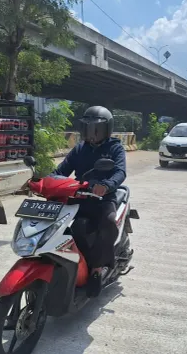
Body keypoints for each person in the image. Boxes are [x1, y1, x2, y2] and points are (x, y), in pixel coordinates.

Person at [51, 105, 126, 298]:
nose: (91, 133)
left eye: (96, 129)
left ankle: (97, 269)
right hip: (78, 197)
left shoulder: (114, 147)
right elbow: (61, 171)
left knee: (107, 223)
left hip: (102, 198)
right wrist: (44, 181)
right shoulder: (79, 149)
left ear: (106, 129)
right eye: (87, 128)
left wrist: (107, 185)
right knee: (59, 223)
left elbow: (120, 172)